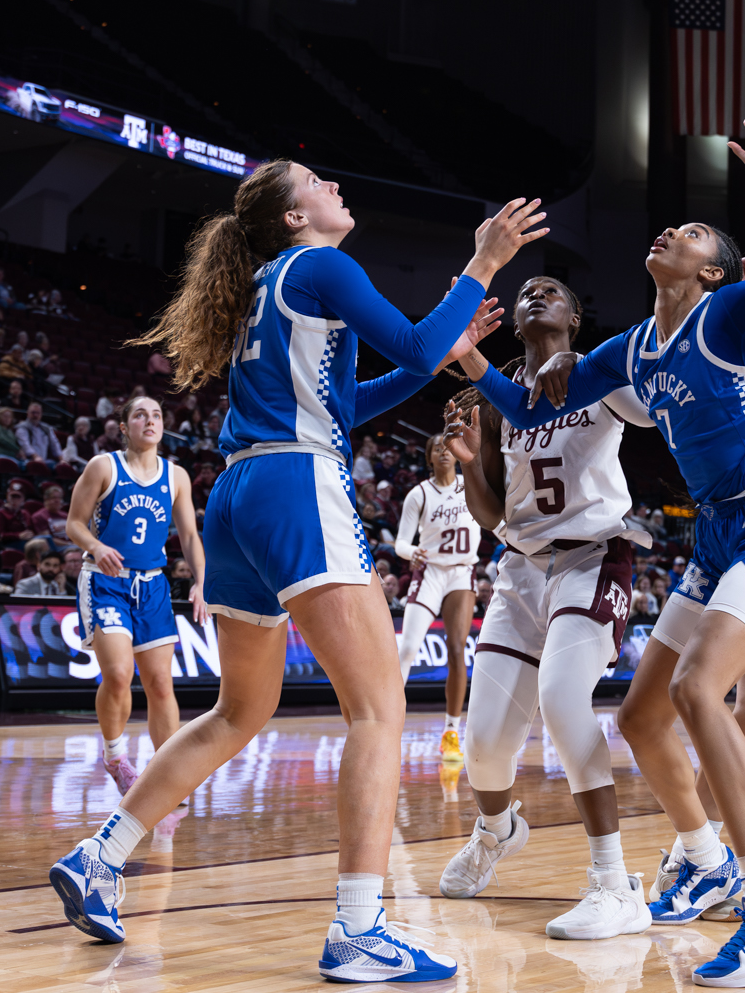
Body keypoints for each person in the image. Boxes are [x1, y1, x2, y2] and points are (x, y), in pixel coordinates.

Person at [48, 156, 537, 974]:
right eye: (316, 181)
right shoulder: (324, 264)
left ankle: (102, 854)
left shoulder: (274, 281)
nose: (336, 185)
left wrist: (440, 352)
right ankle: (357, 927)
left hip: (239, 489)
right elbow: (413, 342)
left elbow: (353, 398)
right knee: (378, 708)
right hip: (296, 484)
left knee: (240, 710)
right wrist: (482, 261)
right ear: (293, 215)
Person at [460, 111, 745, 984]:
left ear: (709, 269)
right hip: (714, 536)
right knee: (640, 715)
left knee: (692, 688)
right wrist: (473, 364)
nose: (666, 232)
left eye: (685, 233)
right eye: (668, 227)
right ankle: (706, 857)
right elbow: (533, 410)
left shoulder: (737, 310)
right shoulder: (632, 348)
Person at [433, 273, 657, 941]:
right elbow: (493, 509)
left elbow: (653, 408)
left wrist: (585, 368)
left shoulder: (602, 373)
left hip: (594, 556)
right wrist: (471, 464)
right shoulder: (495, 398)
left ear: (575, 315)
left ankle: (614, 885)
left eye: (551, 289)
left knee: (563, 700)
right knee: (484, 750)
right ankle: (497, 830)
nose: (534, 293)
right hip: (520, 567)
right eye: (525, 289)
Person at [68, 394, 205, 793]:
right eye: (140, 415)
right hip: (106, 580)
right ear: (124, 427)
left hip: (153, 584)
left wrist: (200, 580)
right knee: (119, 674)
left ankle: (166, 779)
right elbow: (74, 524)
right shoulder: (103, 467)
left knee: (162, 683)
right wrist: (95, 546)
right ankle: (115, 756)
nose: (151, 420)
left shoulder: (176, 476)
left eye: (157, 415)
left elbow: (190, 535)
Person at [392, 433, 482, 760]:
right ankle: (387, 725)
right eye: (436, 449)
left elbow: (493, 519)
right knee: (407, 649)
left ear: (457, 454)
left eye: (447, 447)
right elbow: (401, 542)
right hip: (429, 572)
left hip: (460, 572)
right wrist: (411, 551)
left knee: (457, 648)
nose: (443, 452)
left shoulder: (469, 485)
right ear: (429, 457)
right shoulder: (419, 494)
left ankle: (451, 732)